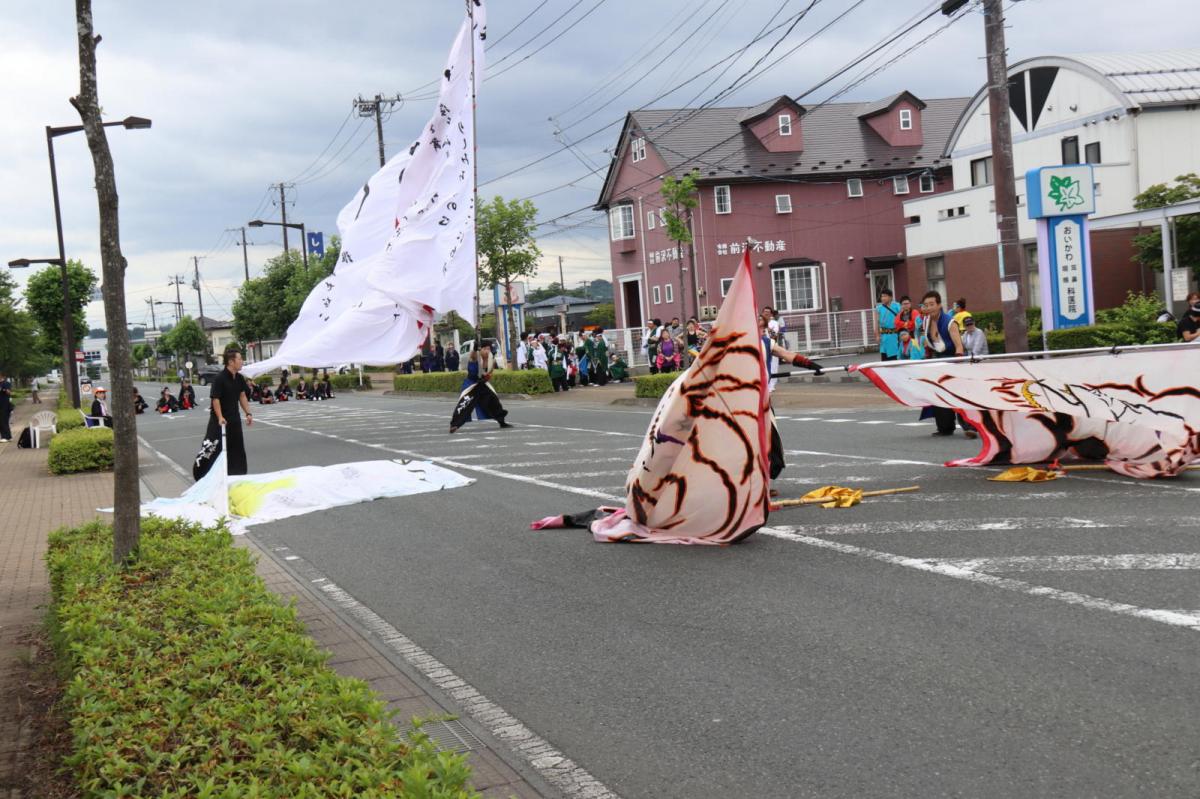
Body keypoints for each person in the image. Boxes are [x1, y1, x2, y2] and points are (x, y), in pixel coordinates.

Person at [921, 290, 974, 438]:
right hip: (937, 362)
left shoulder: (950, 322)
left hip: (953, 360)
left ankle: (970, 426)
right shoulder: (926, 322)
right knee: (938, 394)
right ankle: (945, 427)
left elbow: (959, 346)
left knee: (959, 394)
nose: (929, 307)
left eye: (932, 304)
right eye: (926, 305)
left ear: (939, 305)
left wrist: (957, 365)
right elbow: (929, 344)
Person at [207, 345, 254, 475]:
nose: (242, 361)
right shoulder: (220, 378)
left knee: (237, 449)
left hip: (234, 419)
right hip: (219, 422)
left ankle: (238, 475)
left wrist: (248, 413)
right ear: (231, 362)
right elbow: (215, 399)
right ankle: (215, 476)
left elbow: (242, 395)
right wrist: (220, 417)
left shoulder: (239, 378)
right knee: (217, 449)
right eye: (239, 359)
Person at [449, 342, 512, 433]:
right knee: (464, 404)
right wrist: (475, 349)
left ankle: (501, 422)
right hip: (471, 384)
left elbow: (489, 372)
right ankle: (454, 424)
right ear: (480, 349)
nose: (487, 351)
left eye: (488, 348)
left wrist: (486, 377)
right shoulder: (475, 356)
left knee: (494, 401)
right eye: (485, 348)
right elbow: (473, 356)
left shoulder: (491, 358)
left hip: (482, 383)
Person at [876, 289, 901, 361]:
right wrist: (877, 335)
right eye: (882, 296)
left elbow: (901, 320)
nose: (883, 298)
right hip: (883, 336)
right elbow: (876, 323)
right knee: (884, 358)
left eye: (885, 296)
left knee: (894, 357)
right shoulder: (879, 308)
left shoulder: (897, 306)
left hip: (894, 335)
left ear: (890, 297)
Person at [0, 372, 12, 442]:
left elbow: (9, 392)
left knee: (4, 420)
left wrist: (3, 390)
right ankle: (7, 436)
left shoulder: (6, 383)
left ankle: (5, 437)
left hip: (5, 404)